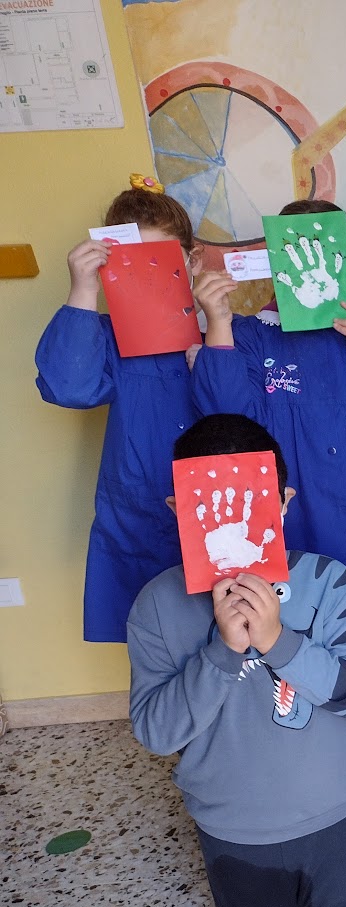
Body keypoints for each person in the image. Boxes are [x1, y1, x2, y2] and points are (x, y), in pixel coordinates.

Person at [127, 414, 346, 907]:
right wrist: (222, 650)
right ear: (178, 509)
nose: (231, 523)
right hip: (235, 832)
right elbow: (156, 733)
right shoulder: (157, 605)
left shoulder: (329, 581)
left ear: (284, 502)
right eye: (205, 506)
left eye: (251, 501)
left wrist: (278, 642)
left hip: (337, 816)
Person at [190, 199, 346, 651]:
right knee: (304, 635)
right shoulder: (252, 334)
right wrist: (219, 324)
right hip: (297, 518)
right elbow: (229, 429)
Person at [35, 176, 201, 642]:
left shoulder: (224, 331)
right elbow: (70, 387)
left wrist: (217, 335)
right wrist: (83, 289)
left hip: (219, 514)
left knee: (230, 646)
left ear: (192, 261)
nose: (148, 275)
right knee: (154, 645)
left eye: (161, 259)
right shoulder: (106, 336)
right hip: (139, 518)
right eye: (131, 263)